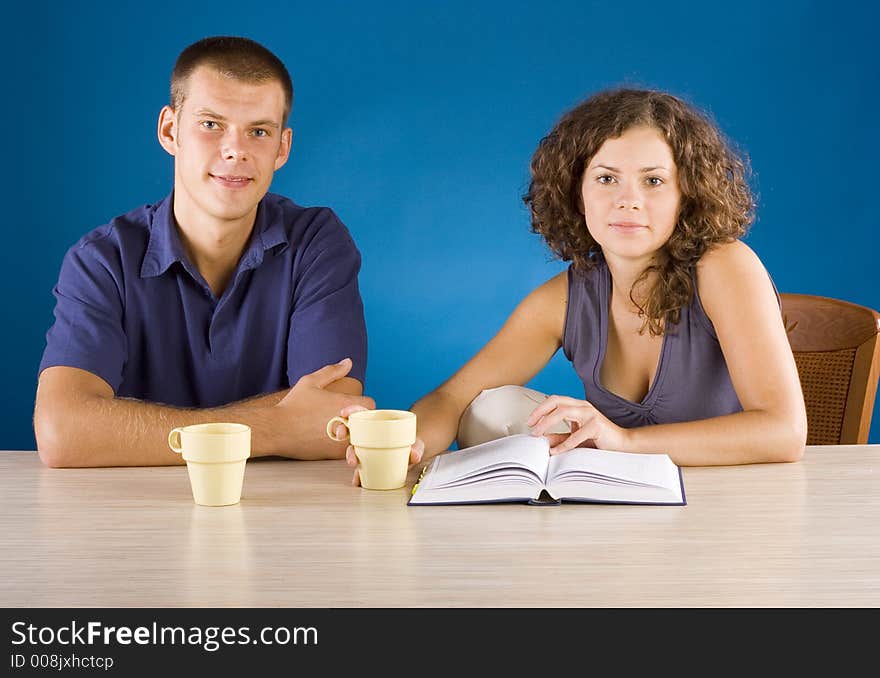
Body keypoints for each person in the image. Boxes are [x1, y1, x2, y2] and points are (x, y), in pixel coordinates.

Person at [341, 88, 807, 484]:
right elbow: (451, 398)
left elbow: (784, 432)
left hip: (737, 508)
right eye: (607, 178)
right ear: (575, 192)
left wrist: (623, 442)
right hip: (624, 516)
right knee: (491, 407)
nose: (628, 200)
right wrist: (406, 447)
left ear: (687, 194)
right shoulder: (564, 299)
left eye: (654, 181)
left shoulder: (726, 267)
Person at [35, 36, 374, 467]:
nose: (236, 150)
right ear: (169, 130)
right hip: (137, 511)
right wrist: (275, 426)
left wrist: (130, 432)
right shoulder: (101, 260)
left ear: (282, 148)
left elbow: (332, 418)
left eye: (259, 131)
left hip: (278, 510)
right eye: (211, 124)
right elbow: (63, 433)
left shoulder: (316, 241)